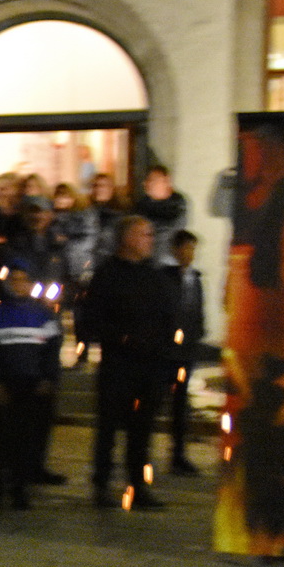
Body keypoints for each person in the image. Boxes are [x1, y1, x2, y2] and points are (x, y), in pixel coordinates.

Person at [78, 215, 178, 509]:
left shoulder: (154, 275)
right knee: (109, 426)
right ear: (128, 239)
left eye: (150, 234)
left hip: (151, 364)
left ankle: (137, 486)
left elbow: (168, 316)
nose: (150, 240)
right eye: (144, 234)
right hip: (119, 365)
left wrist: (163, 346)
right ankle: (101, 485)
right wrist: (121, 338)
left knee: (142, 429)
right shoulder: (107, 275)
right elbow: (92, 319)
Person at [0, 264, 63, 509]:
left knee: (27, 440)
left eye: (22, 280)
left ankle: (19, 492)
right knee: (3, 440)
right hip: (7, 384)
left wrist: (48, 379)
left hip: (33, 385)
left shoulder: (44, 315)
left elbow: (52, 350)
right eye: (13, 280)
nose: (18, 284)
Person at [164, 228, 206, 475]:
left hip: (186, 351)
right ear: (175, 250)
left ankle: (178, 455)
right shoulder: (166, 277)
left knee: (181, 404)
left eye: (192, 249)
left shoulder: (196, 279)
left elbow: (197, 312)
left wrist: (197, 335)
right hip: (167, 351)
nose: (189, 254)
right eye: (185, 248)